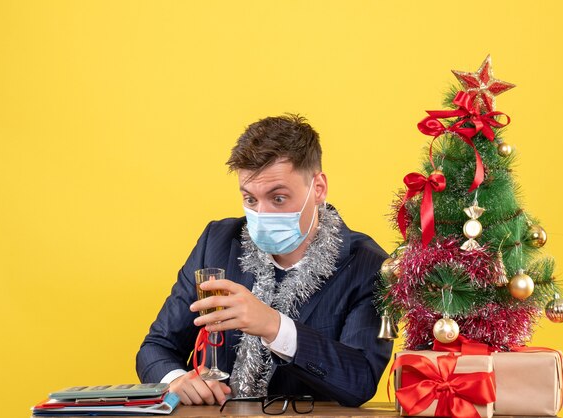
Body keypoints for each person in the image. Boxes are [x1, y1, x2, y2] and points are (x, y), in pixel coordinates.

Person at [136, 114, 392, 407]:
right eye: (250, 199)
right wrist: (176, 380)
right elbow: (155, 347)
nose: (263, 214)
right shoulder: (217, 242)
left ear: (318, 188)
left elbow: (360, 381)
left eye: (279, 198)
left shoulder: (369, 265)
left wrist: (274, 326)